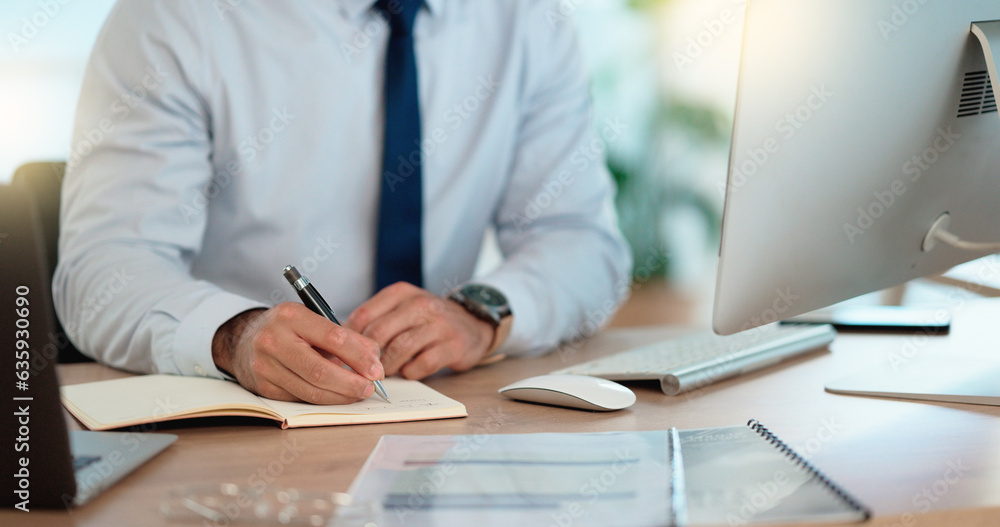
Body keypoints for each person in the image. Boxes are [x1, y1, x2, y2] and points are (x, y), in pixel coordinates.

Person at [54, 0, 632, 405]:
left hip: (439, 417)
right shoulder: (172, 17)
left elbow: (580, 240)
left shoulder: (529, 17)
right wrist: (235, 334)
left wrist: (484, 313)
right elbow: (104, 268)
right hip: (238, 428)